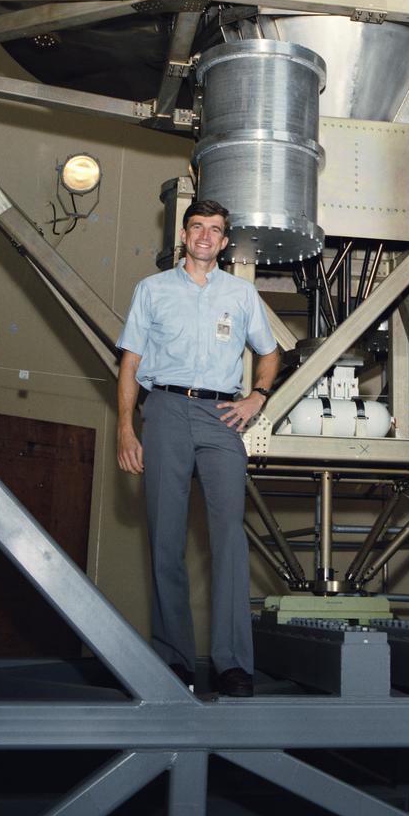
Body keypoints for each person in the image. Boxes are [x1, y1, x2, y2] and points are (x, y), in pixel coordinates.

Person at [116, 199, 279, 698]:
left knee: (229, 536)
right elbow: (130, 362)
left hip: (222, 417)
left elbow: (270, 354)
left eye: (215, 230)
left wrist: (257, 396)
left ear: (225, 241)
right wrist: (125, 426)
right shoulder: (152, 290)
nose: (205, 236)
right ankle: (175, 661)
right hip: (164, 410)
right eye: (197, 227)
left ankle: (232, 665)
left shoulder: (241, 294)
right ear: (183, 236)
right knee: (166, 537)